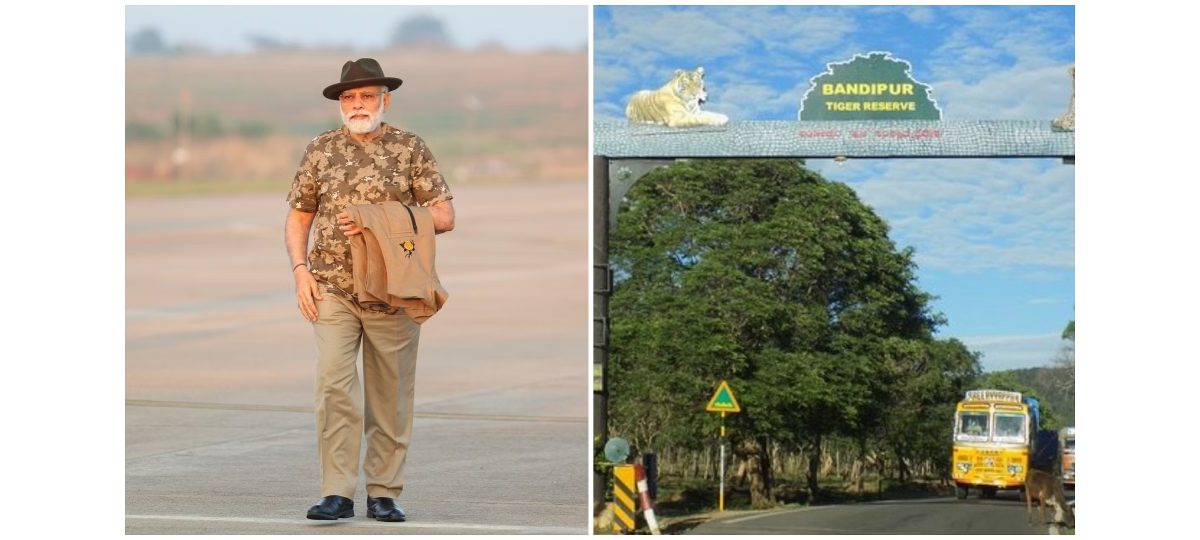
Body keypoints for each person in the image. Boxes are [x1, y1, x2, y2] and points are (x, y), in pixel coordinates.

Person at [284, 58, 455, 522]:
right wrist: (301, 272)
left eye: (366, 96)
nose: (357, 104)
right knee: (333, 388)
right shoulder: (320, 150)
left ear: (385, 98)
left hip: (393, 292)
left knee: (391, 395)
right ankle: (336, 492)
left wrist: (378, 220)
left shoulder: (409, 149)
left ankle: (383, 491)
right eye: (349, 98)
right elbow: (300, 216)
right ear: (341, 103)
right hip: (332, 290)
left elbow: (443, 216)